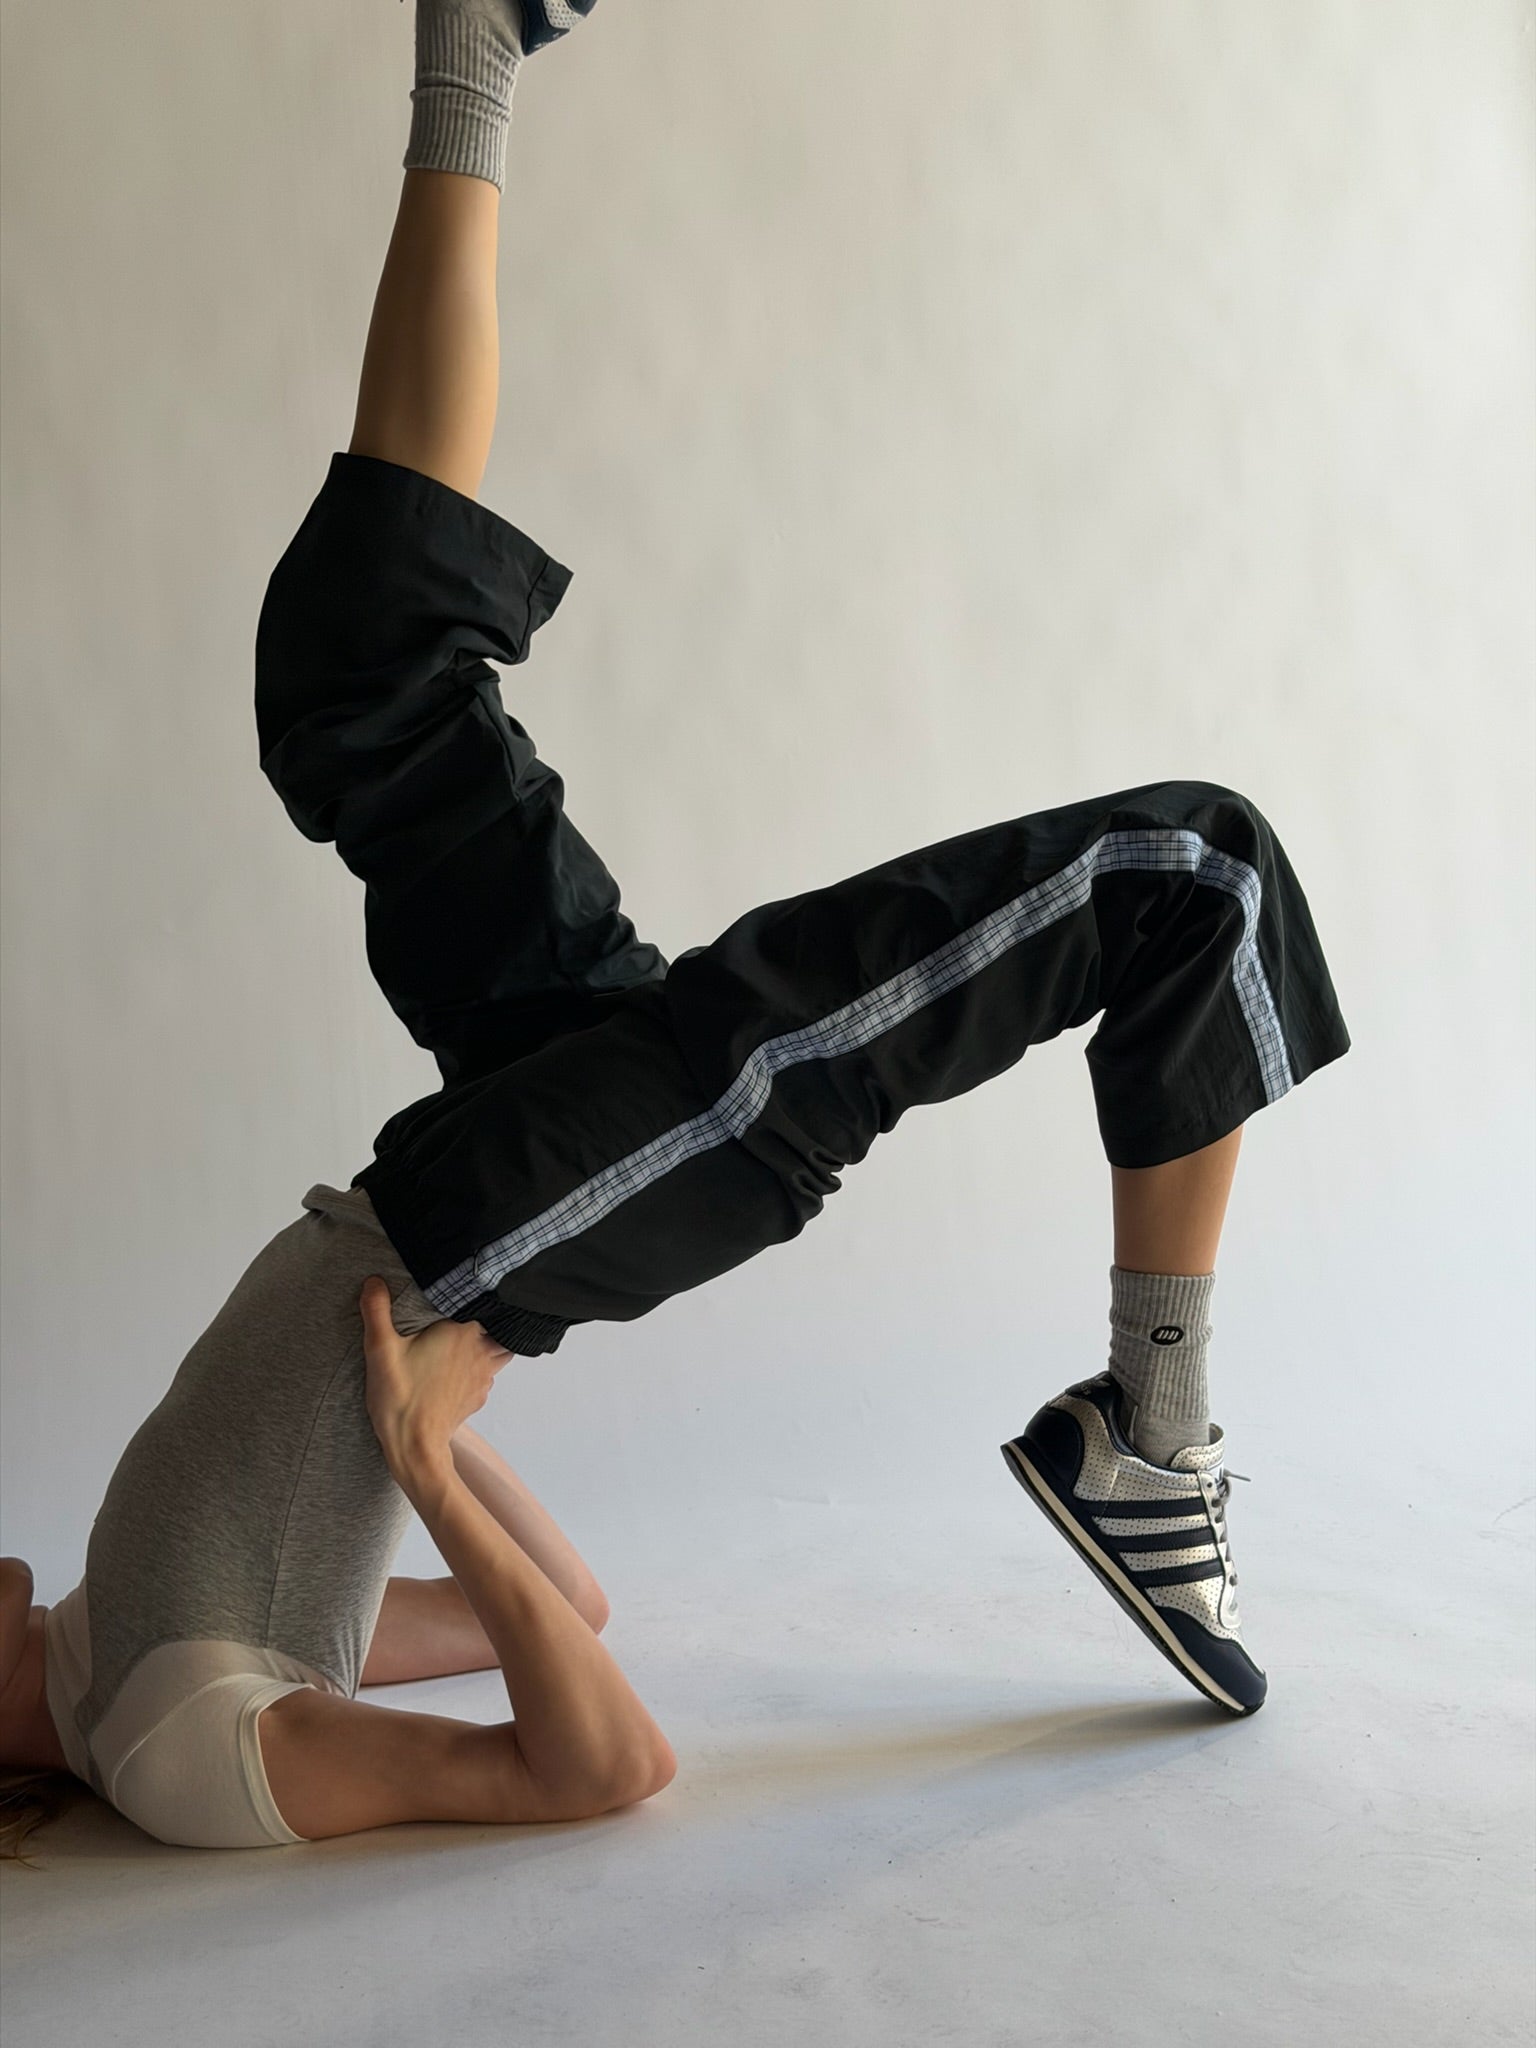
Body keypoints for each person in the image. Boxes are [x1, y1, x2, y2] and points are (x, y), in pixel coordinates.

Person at [0, 0, 1351, 1861]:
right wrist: (414, 1451)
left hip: (485, 1173)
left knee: (360, 663)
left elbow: (539, 1621)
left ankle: (465, 36)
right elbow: (596, 1758)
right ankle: (1155, 1442)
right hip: (497, 1221)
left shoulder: (98, 1638)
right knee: (1189, 878)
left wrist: (433, 1460)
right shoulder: (170, 1749)